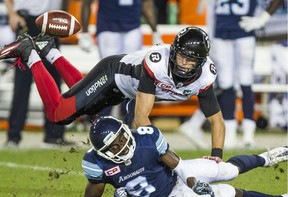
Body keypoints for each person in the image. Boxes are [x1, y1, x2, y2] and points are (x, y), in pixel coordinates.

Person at [0, 26, 225, 159]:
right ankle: (29, 52)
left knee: (93, 113)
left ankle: (48, 49)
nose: (184, 63)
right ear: (173, 51)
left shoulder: (205, 77)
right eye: (181, 56)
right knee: (60, 114)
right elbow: (141, 117)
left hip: (124, 92)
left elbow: (217, 121)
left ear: (201, 62)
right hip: (112, 76)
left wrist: (216, 157)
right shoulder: (157, 63)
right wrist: (164, 152)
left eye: (191, 59)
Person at [81, 115, 288, 197]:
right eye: (114, 146)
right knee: (227, 193)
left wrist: (193, 182)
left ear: (126, 130)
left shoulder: (146, 137)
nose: (123, 145)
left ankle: (267, 157)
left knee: (226, 170)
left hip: (177, 174)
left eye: (122, 137)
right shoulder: (96, 163)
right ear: (103, 152)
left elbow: (177, 164)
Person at [206, 0, 284, 149]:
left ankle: (248, 134)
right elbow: (210, 10)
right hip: (221, 32)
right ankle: (230, 133)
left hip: (244, 30)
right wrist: (210, 36)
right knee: (226, 83)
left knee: (245, 81)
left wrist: (263, 18)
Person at [79, 0, 162, 124]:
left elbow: (147, 3)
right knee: (108, 76)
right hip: (108, 27)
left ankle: (129, 122)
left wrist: (155, 30)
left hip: (133, 26)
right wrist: (84, 32)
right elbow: (86, 2)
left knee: (133, 76)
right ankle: (102, 122)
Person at [2, 0, 72, 148]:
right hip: (27, 20)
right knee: (23, 81)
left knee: (53, 78)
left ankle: (54, 135)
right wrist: (12, 13)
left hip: (50, 21)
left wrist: (63, 16)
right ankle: (13, 136)